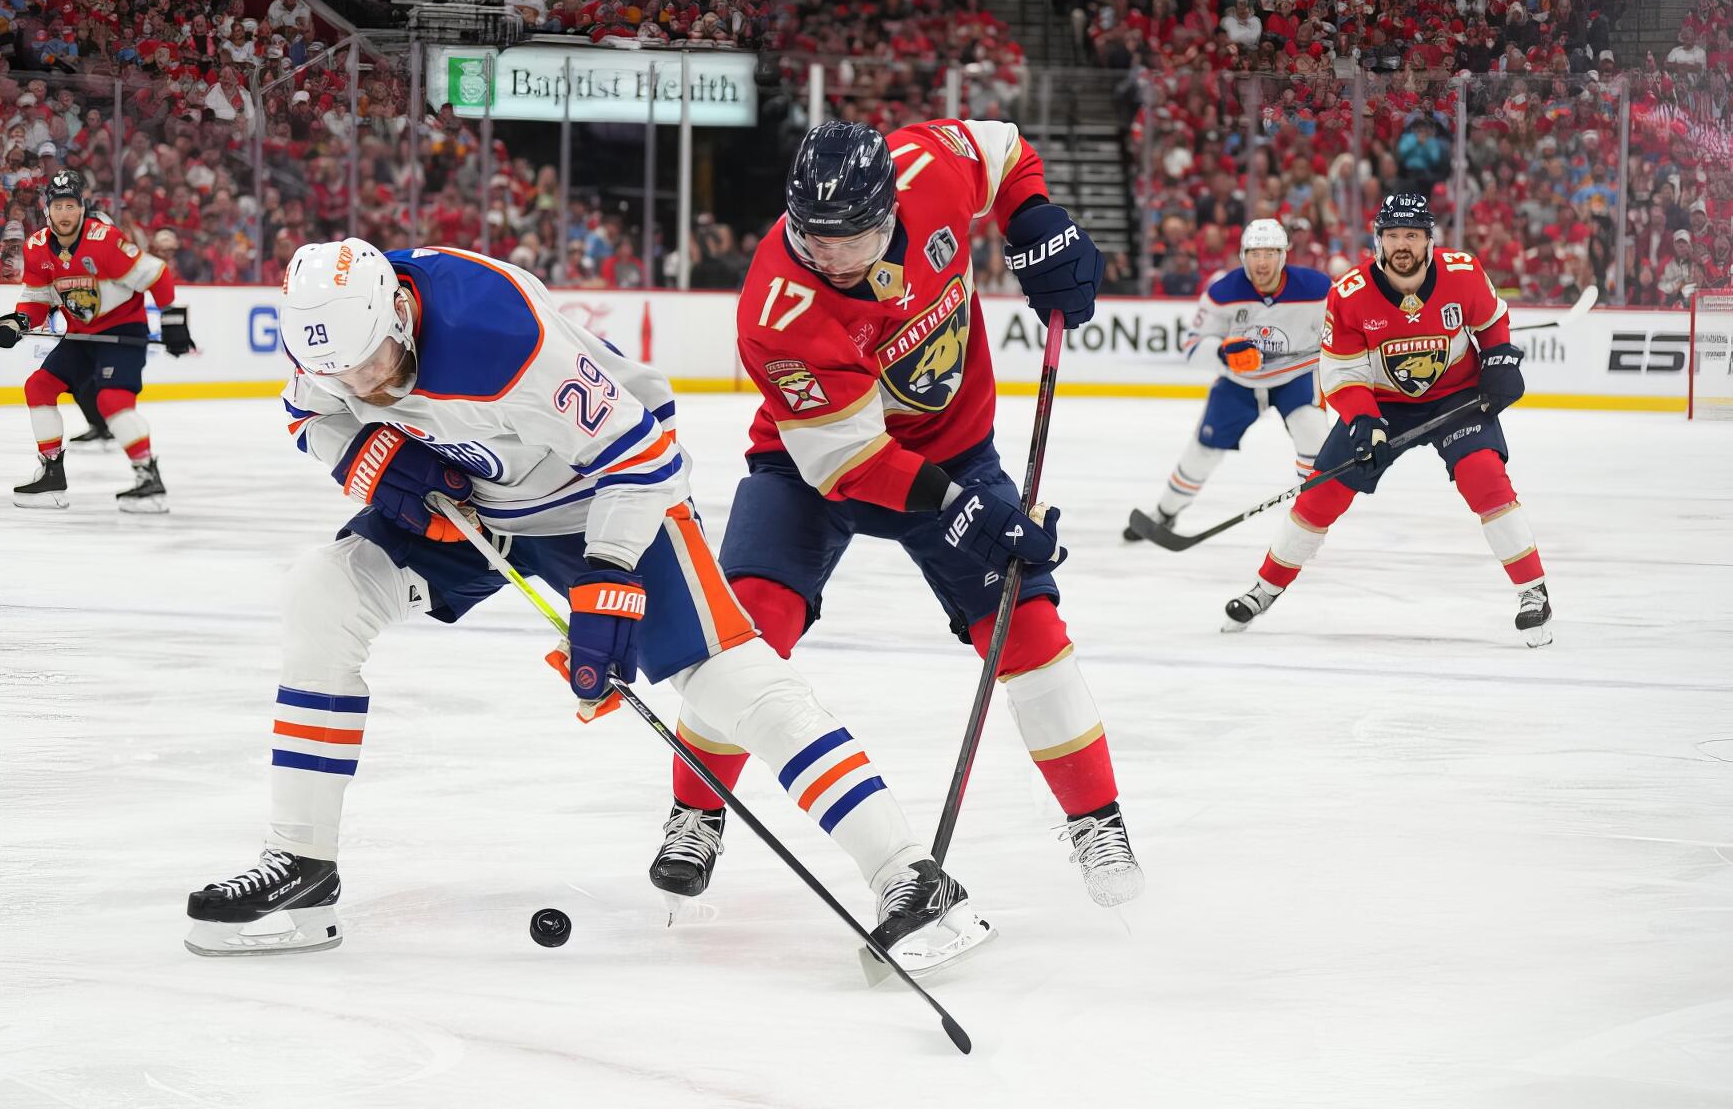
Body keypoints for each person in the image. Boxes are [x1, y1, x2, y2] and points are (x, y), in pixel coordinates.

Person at [184, 240, 991, 972]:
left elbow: (643, 450)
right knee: (321, 592)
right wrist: (364, 453)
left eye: (373, 366)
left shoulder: (498, 334)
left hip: (600, 500)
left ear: (399, 309)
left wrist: (607, 579)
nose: (363, 385)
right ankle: (303, 865)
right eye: (344, 374)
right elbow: (310, 415)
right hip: (471, 506)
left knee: (727, 680)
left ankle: (909, 877)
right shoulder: (331, 339)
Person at [646, 120, 1144, 914]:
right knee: (745, 633)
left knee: (1031, 629)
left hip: (954, 449)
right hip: (812, 467)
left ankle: (1098, 821)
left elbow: (1006, 151)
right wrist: (963, 506)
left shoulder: (927, 166)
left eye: (852, 238)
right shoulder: (780, 309)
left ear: (892, 207)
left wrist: (1034, 215)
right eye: (813, 239)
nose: (832, 257)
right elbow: (849, 462)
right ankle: (695, 813)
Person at [1221, 194, 1551, 646]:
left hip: (1455, 396)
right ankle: (1266, 588)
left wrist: (1497, 359)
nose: (1402, 244)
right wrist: (1363, 420)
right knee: (1322, 495)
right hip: (1382, 406)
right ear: (1378, 240)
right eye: (1393, 234)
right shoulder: (1350, 294)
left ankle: (1533, 591)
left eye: (1412, 235)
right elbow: (1343, 372)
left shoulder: (1463, 273)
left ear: (1428, 241)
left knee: (1484, 476)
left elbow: (1492, 319)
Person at [0, 171, 195, 511]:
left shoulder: (105, 241)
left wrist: (171, 319)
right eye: (58, 206)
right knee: (38, 385)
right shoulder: (37, 248)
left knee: (112, 402)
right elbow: (37, 300)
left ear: (81, 209)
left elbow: (157, 273)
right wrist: (18, 320)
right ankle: (52, 474)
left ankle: (148, 480)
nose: (65, 213)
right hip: (81, 336)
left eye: (71, 206)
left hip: (122, 333)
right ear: (48, 210)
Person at [1126, 218, 1329, 540]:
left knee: (1316, 441)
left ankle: (1311, 518)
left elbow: (1344, 330)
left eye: (1270, 254)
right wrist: (1223, 353)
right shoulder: (1222, 293)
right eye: (1254, 254)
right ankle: (1165, 513)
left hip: (1295, 378)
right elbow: (1192, 346)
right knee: (1203, 450)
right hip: (1239, 383)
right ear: (1243, 255)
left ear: (1284, 256)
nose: (1262, 262)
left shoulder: (1318, 290)